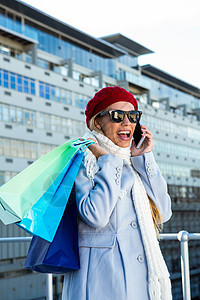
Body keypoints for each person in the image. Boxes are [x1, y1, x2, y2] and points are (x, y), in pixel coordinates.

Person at [62, 86, 172, 300]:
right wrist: (108, 161)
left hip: (141, 281)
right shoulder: (84, 160)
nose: (127, 123)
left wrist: (145, 158)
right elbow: (96, 215)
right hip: (100, 281)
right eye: (117, 115)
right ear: (97, 122)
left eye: (133, 116)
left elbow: (164, 212)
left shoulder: (132, 162)